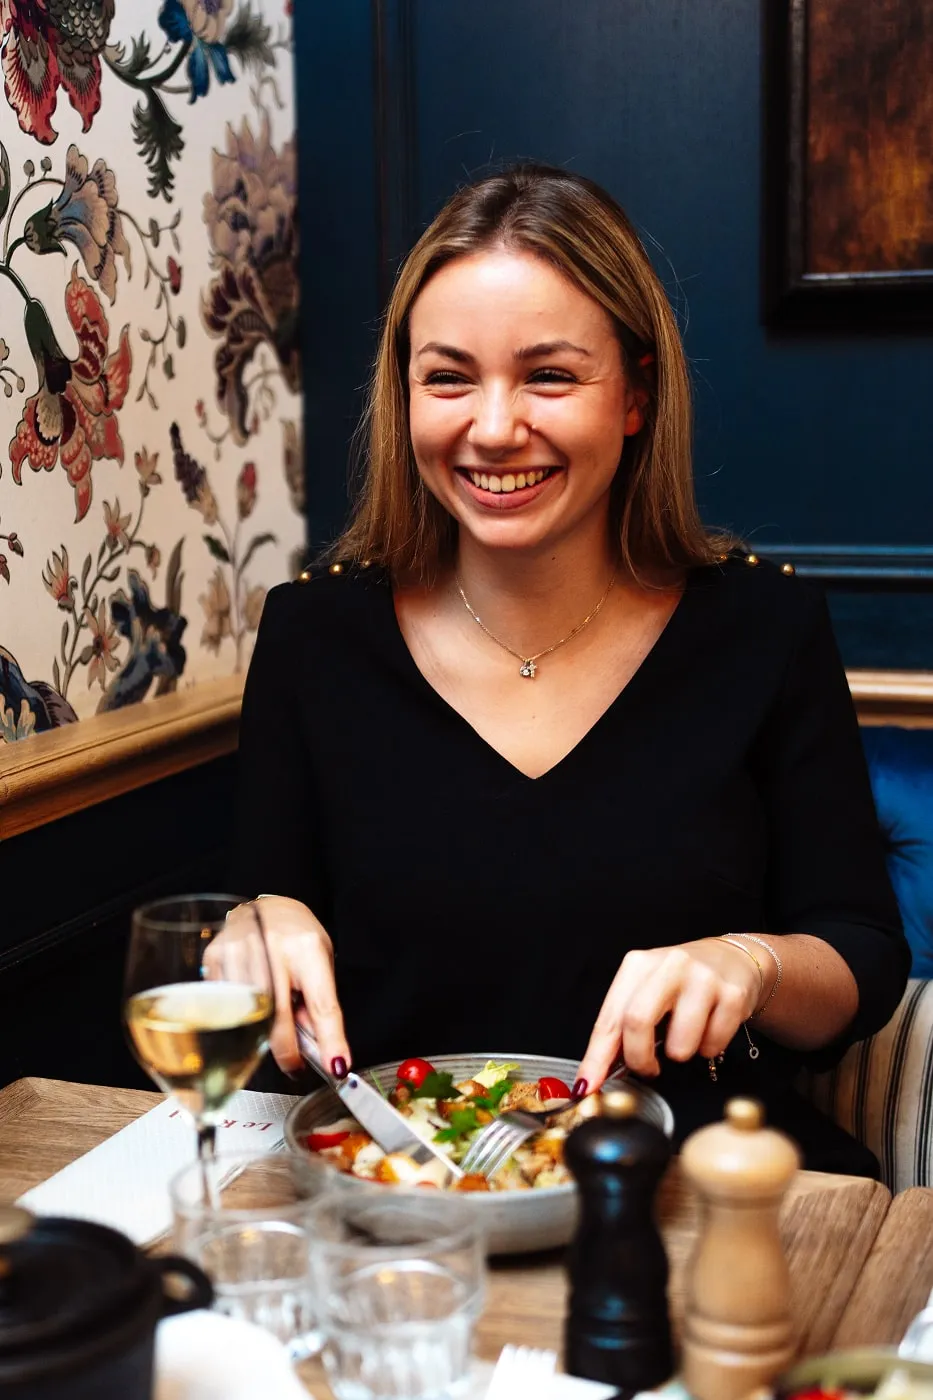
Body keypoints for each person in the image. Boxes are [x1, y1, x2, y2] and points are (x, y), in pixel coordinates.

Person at [232, 163, 909, 1174]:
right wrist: (253, 922)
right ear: (405, 390)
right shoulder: (310, 636)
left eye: (549, 375)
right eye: (448, 376)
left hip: (696, 1186)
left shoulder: (765, 627)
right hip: (399, 1201)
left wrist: (751, 960)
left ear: (635, 395)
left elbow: (862, 954)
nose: (495, 426)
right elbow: (260, 944)